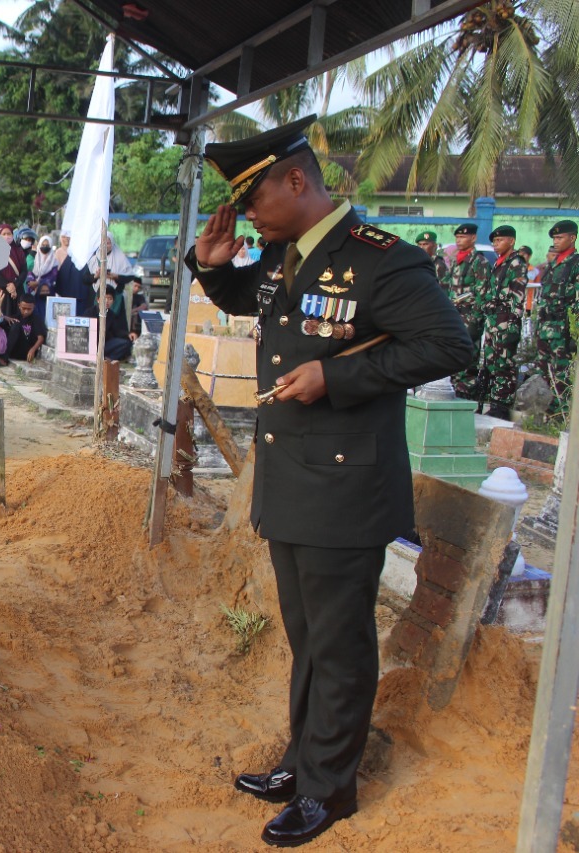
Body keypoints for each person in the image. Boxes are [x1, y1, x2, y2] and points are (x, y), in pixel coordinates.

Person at [187, 115, 473, 848]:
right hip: (292, 479)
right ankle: (302, 760)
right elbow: (256, 304)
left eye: (253, 199)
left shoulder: (382, 260)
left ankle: (329, 789)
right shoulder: (284, 256)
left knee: (340, 644)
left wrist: (336, 377)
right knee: (308, 637)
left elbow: (448, 345)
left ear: (296, 180)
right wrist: (211, 267)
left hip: (346, 489)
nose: (248, 215)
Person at [480, 224, 528, 419]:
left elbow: (518, 298)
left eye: (500, 240)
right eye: (494, 241)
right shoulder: (499, 263)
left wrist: (512, 325)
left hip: (506, 323)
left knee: (504, 365)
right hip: (494, 321)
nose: (495, 244)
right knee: (491, 363)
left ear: (512, 241)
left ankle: (501, 406)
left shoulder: (516, 264)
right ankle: (493, 402)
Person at [443, 223, 492, 402]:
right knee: (453, 355)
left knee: (469, 357)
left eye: (463, 237)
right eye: (457, 237)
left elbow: (482, 293)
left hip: (470, 316)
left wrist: (475, 320)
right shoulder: (456, 261)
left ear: (473, 238)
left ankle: (466, 395)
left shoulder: (480, 262)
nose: (459, 240)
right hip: (454, 316)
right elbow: (449, 289)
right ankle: (454, 391)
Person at [535, 220, 579, 414]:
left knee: (561, 377)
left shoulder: (575, 264)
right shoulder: (553, 264)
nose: (556, 241)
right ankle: (546, 415)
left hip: (563, 331)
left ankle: (561, 416)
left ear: (573, 237)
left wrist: (574, 333)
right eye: (554, 238)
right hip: (546, 329)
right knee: (544, 374)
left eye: (560, 237)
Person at [87, 284, 139, 361]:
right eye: (104, 298)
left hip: (105, 345)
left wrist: (128, 334)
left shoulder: (111, 315)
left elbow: (117, 331)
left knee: (126, 343)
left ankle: (109, 359)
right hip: (90, 345)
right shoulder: (89, 312)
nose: (107, 301)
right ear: (98, 299)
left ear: (113, 301)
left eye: (110, 299)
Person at [6, 293, 47, 362]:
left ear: (33, 307)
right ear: (19, 306)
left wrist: (33, 349)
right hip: (13, 351)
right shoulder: (14, 317)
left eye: (29, 309)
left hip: (27, 353)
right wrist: (5, 318)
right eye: (24, 308)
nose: (26, 311)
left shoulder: (36, 320)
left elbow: (41, 338)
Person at [0, 223, 28, 292]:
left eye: (9, 234)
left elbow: (24, 271)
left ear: (12, 235)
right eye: (3, 234)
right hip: (0, 291)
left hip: (17, 289)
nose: (6, 236)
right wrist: (7, 285)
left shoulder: (19, 251)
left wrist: (15, 285)